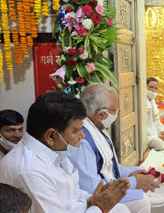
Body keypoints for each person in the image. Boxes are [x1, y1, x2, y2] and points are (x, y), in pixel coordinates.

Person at [0, 91, 130, 213]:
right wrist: (100, 206)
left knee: (121, 209)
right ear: (51, 136)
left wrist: (93, 199)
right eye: (75, 131)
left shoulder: (54, 150)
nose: (82, 136)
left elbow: (74, 193)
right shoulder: (28, 170)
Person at [69, 83, 157, 213]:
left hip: (109, 185)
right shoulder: (82, 140)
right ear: (101, 115)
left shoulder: (97, 127)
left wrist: (129, 173)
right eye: (114, 111)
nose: (116, 115)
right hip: (94, 197)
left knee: (144, 184)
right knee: (142, 200)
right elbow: (90, 187)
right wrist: (133, 182)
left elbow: (108, 162)